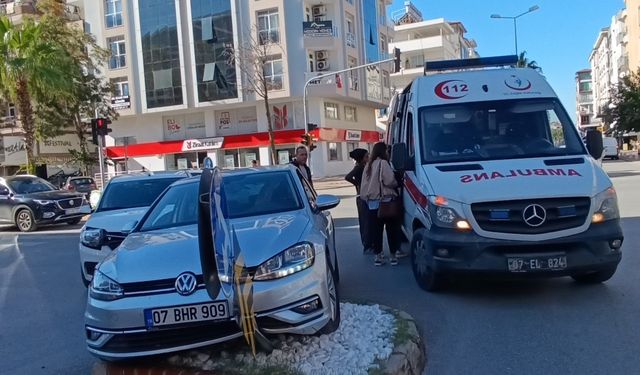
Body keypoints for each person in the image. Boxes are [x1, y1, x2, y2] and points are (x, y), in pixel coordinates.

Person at [360, 142, 404, 266]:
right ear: (384, 151)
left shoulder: (368, 165)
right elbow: (389, 180)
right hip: (386, 202)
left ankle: (378, 256)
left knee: (376, 230)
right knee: (391, 229)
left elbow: (363, 185)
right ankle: (393, 256)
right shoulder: (383, 163)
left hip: (372, 203)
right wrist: (396, 183)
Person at [345, 148, 371, 253]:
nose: (368, 158)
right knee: (364, 221)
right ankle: (366, 244)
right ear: (362, 158)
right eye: (366, 156)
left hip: (364, 196)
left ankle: (369, 243)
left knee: (368, 221)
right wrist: (357, 184)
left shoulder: (364, 166)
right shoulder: (360, 167)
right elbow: (348, 177)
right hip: (361, 197)